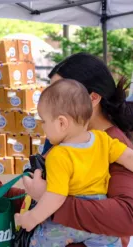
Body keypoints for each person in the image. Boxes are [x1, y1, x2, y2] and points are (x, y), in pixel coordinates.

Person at [0, 52, 133, 247]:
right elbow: (36, 199)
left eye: (61, 92)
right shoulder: (65, 142)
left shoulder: (112, 143)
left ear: (93, 98)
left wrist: (50, 201)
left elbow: (126, 218)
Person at [15, 79, 133, 246]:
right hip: (99, 219)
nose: (42, 127)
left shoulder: (59, 155)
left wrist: (30, 219)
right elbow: (129, 157)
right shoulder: (103, 139)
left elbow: (55, 197)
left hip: (66, 224)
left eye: (44, 121)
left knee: (36, 242)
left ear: (62, 123)